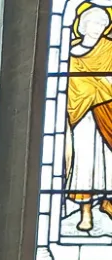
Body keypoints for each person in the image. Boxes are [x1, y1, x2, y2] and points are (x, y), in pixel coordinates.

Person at [66, 2, 112, 234]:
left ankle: (108, 202)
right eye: (94, 23)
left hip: (107, 112)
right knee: (85, 164)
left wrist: (100, 86)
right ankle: (86, 212)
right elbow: (69, 87)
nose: (98, 28)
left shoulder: (110, 49)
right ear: (82, 25)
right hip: (82, 116)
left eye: (103, 24)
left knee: (109, 163)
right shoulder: (68, 53)